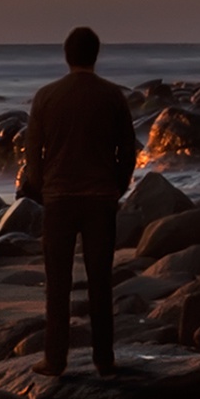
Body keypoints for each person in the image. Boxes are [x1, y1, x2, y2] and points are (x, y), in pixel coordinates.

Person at [23, 25, 135, 377]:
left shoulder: (46, 96)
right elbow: (128, 150)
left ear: (66, 55)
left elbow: (32, 153)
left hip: (58, 198)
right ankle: (104, 358)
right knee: (100, 280)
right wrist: (117, 185)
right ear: (95, 55)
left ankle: (55, 360)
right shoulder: (113, 96)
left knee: (57, 283)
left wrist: (42, 188)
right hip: (100, 198)